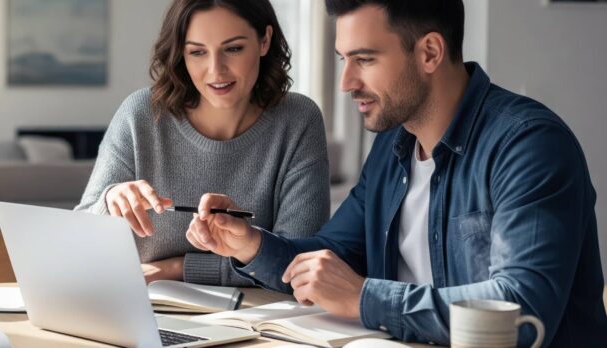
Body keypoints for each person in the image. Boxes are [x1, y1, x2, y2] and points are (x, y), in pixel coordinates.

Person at [186, 0, 607, 345]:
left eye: (364, 60)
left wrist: (365, 298)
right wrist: (249, 244)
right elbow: (331, 257)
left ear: (429, 52)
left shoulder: (529, 145)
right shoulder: (393, 144)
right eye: (343, 60)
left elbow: (520, 307)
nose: (346, 82)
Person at [75, 0, 330, 286]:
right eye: (197, 52)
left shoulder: (298, 119)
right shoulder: (140, 114)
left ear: (264, 41)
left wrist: (173, 269)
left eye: (233, 48)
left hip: (251, 316)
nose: (215, 70)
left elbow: (298, 265)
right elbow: (78, 241)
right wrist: (110, 201)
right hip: (142, 307)